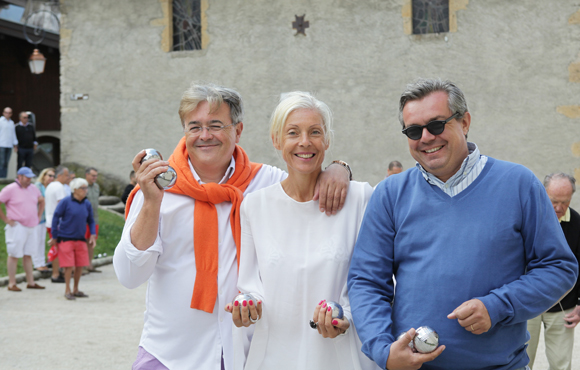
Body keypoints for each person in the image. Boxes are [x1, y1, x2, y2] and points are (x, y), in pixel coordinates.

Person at [114, 83, 351, 370]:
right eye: (194, 126)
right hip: (170, 354)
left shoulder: (267, 183)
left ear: (238, 131)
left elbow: (308, 177)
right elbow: (129, 275)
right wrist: (152, 204)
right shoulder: (155, 190)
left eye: (216, 125)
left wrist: (340, 167)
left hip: (245, 354)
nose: (205, 136)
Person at [347, 78, 578, 370]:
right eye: (414, 130)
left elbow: (559, 267)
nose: (426, 137)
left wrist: (497, 306)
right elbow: (366, 281)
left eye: (437, 125)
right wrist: (383, 349)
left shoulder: (518, 184)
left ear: (465, 121)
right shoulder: (390, 194)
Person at [228, 91, 378, 370]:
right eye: (293, 132)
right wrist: (246, 307)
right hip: (274, 357)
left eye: (315, 132)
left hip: (341, 355)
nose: (305, 142)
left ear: (327, 140)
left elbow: (373, 282)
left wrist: (345, 316)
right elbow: (251, 286)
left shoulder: (360, 199)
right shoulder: (255, 206)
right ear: (276, 140)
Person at [527, 173, 580, 370]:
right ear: (543, 193)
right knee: (521, 361)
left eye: (564, 202)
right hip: (528, 303)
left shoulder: (577, 223)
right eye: (554, 201)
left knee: (561, 364)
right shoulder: (527, 217)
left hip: (564, 307)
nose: (558, 208)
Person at [50, 178, 96, 300]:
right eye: (83, 188)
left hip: (80, 239)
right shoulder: (65, 202)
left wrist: (92, 234)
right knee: (69, 266)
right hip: (66, 238)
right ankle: (67, 289)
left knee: (80, 265)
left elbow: (91, 220)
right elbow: (56, 217)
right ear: (75, 189)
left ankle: (76, 289)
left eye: (86, 188)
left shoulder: (86, 203)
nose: (86, 190)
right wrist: (54, 235)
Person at [0, 166, 45, 291]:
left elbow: (41, 200)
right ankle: (11, 283)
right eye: (27, 177)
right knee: (14, 253)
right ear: (19, 177)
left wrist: (39, 215)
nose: (29, 180)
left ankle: (31, 282)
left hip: (31, 225)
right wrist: (5, 219)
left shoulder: (33, 188)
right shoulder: (10, 189)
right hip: (17, 225)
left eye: (30, 178)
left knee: (28, 254)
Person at [45, 165, 70, 283]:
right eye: (66, 175)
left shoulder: (50, 185)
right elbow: (62, 206)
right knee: (57, 249)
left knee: (56, 248)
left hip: (50, 221)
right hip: (57, 223)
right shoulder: (59, 187)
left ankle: (57, 272)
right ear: (59, 175)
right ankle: (55, 274)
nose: (68, 177)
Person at [33, 167, 55, 272]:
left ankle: (42, 262)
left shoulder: (49, 187)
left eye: (53, 176)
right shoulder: (38, 186)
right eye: (49, 175)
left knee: (42, 241)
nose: (51, 178)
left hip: (45, 218)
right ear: (44, 175)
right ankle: (36, 263)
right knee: (36, 241)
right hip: (37, 217)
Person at [84, 167, 101, 273]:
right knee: (84, 242)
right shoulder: (82, 186)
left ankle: (89, 265)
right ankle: (83, 265)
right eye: (93, 175)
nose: (95, 178)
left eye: (96, 175)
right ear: (87, 175)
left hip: (94, 218)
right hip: (84, 219)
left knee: (91, 242)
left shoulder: (96, 186)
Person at [0, 107, 18, 178]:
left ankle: (4, 178)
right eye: (6, 112)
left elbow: (13, 134)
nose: (7, 114)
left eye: (9, 113)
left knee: (6, 163)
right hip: (1, 145)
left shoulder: (11, 122)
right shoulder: (0, 121)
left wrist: (15, 144)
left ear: (11, 114)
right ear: (3, 113)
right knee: (2, 162)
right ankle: (1, 178)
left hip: (9, 145)